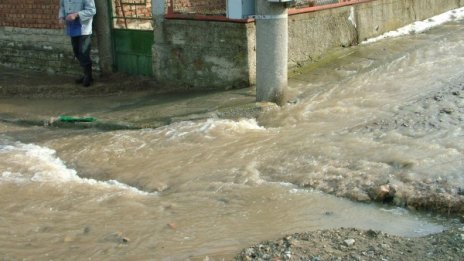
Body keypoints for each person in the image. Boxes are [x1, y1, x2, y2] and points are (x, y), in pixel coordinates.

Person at [58, 0, 96, 87]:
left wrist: (76, 14)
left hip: (83, 28)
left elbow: (92, 10)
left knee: (83, 52)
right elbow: (62, 7)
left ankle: (88, 76)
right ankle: (86, 74)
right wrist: (61, 17)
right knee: (76, 51)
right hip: (72, 27)